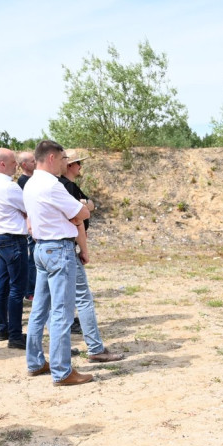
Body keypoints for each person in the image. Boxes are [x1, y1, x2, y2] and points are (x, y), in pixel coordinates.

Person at [23, 140, 100, 386]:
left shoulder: (31, 183)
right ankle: (62, 371)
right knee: (62, 313)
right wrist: (83, 207)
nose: (65, 163)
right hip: (59, 249)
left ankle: (35, 362)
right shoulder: (52, 185)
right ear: (53, 157)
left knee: (40, 310)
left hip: (42, 248)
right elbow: (82, 213)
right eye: (63, 158)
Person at [59, 155, 123, 362]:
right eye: (78, 163)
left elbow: (91, 204)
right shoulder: (67, 186)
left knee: (54, 302)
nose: (80, 167)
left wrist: (86, 203)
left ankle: (59, 351)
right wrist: (84, 249)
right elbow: (79, 217)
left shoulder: (61, 185)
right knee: (81, 299)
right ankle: (95, 348)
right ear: (69, 165)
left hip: (56, 248)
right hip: (68, 246)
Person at [0, 147, 28, 349]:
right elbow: (29, 208)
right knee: (17, 289)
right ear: (2, 164)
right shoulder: (10, 187)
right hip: (14, 239)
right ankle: (16, 335)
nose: (15, 165)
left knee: (3, 285)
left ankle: (3, 329)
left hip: (1, 238)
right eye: (12, 162)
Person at [15, 151, 37, 301]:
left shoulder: (35, 179)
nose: (35, 163)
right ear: (24, 165)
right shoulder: (22, 182)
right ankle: (30, 290)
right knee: (33, 258)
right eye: (32, 161)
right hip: (31, 224)